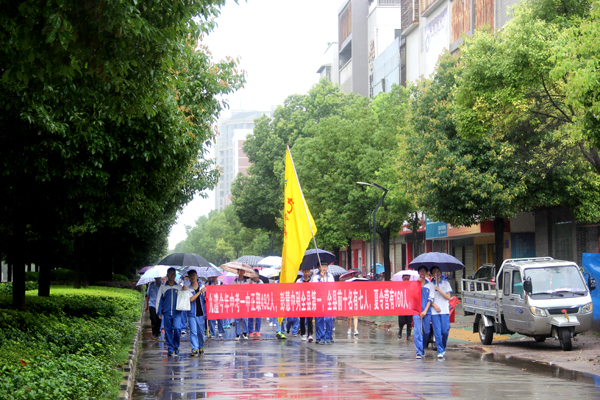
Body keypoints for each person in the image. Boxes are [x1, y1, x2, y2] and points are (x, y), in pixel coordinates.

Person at [156, 267, 183, 357]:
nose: (172, 275)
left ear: (175, 275)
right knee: (168, 331)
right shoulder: (163, 287)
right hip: (167, 313)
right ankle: (170, 349)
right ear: (167, 275)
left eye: (173, 274)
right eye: (170, 274)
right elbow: (159, 300)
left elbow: (183, 299)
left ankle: (176, 347)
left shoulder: (179, 287)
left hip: (177, 313)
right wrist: (159, 312)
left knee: (177, 328)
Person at [430, 266, 452, 359]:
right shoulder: (430, 285)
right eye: (434, 272)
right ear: (432, 274)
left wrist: (439, 290)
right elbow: (428, 299)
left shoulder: (446, 283)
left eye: (438, 271)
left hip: (444, 311)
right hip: (434, 312)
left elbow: (448, 297)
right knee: (437, 332)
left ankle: (443, 346)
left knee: (445, 331)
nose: (437, 273)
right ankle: (439, 350)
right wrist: (434, 305)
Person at [412, 266, 433, 359]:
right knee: (417, 331)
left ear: (427, 272)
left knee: (426, 331)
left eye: (424, 271)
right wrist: (417, 285)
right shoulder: (415, 284)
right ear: (418, 272)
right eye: (420, 271)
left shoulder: (430, 285)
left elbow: (430, 299)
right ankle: (419, 351)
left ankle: (422, 347)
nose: (422, 272)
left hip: (426, 311)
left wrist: (425, 311)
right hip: (416, 311)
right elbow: (411, 296)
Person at [185, 270, 207, 357]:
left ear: (197, 276)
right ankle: (194, 348)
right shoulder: (188, 288)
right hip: (192, 313)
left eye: (193, 275)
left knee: (200, 332)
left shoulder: (202, 286)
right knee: (193, 332)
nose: (192, 277)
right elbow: (191, 299)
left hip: (201, 313)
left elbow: (206, 298)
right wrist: (199, 292)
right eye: (190, 276)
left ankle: (201, 347)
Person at [311, 262, 334, 345]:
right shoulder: (315, 277)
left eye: (325, 266)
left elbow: (332, 286)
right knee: (319, 319)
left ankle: (329, 336)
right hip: (319, 300)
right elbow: (314, 286)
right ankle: (322, 337)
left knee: (328, 319)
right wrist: (320, 277)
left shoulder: (330, 276)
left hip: (328, 299)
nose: (324, 268)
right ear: (318, 268)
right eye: (322, 266)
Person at [232, 268, 250, 340]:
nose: (241, 272)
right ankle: (237, 334)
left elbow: (248, 291)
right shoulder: (234, 282)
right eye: (240, 271)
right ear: (237, 271)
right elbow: (231, 291)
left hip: (245, 302)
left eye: (242, 271)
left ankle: (245, 333)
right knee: (237, 319)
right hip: (237, 302)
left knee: (245, 318)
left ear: (244, 272)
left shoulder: (247, 282)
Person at [296, 269, 314, 342]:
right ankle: (303, 334)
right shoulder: (299, 281)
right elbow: (297, 290)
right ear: (302, 272)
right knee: (302, 319)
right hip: (302, 301)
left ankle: (310, 334)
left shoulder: (312, 280)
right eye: (305, 271)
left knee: (310, 319)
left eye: (308, 271)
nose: (306, 273)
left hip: (310, 301)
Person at [144, 276, 163, 340]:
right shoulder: (151, 285)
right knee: (153, 319)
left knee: (159, 320)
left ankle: (158, 331)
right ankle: (154, 333)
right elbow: (148, 295)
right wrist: (147, 306)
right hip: (152, 304)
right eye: (156, 278)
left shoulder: (163, 285)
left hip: (160, 305)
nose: (157, 279)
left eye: (159, 278)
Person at [248, 270, 264, 338]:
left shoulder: (261, 282)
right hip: (251, 302)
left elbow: (262, 291)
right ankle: (250, 331)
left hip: (258, 301)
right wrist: (250, 285)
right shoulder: (249, 282)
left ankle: (257, 331)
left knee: (258, 317)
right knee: (251, 317)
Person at [397, 274, 413, 341]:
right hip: (402, 306)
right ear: (402, 278)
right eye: (405, 279)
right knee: (401, 321)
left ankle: (408, 335)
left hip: (409, 306)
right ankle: (400, 331)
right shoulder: (399, 286)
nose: (406, 280)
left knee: (409, 322)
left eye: (407, 279)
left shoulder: (412, 286)